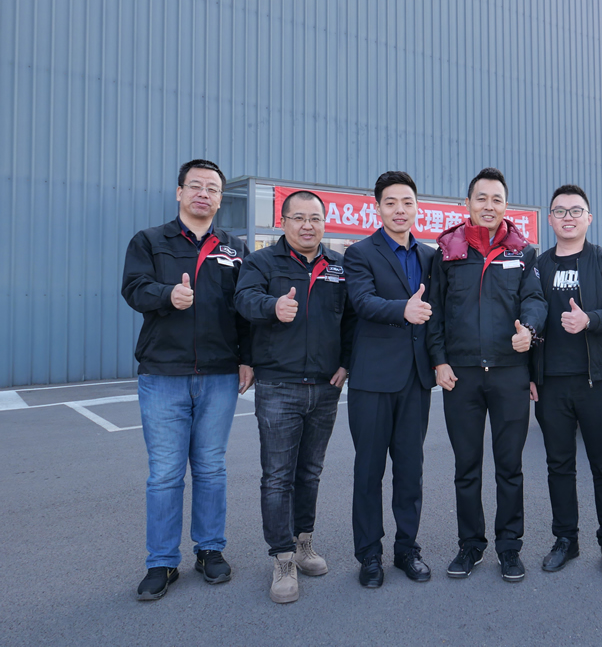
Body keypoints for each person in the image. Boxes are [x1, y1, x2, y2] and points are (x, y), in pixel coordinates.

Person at [122, 159, 253, 601]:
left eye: (212, 188)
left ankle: (210, 549)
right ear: (179, 192)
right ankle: (161, 561)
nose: (203, 194)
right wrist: (167, 295)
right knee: (164, 474)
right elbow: (133, 288)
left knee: (212, 468)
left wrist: (247, 359)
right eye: (195, 186)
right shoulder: (149, 241)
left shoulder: (235, 248)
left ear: (220, 198)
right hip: (164, 374)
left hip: (219, 375)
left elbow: (244, 309)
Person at [234, 190, 355, 604]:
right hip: (278, 386)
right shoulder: (261, 262)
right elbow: (243, 300)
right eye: (298, 217)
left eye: (315, 218)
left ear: (324, 223)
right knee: (277, 476)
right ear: (282, 221)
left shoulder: (339, 266)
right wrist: (272, 307)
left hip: (325, 387)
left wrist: (347, 363)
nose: (307, 225)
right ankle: (282, 557)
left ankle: (303, 543)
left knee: (310, 472)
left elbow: (351, 320)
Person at [427, 167, 547, 583]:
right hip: (460, 376)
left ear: (506, 205)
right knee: (467, 466)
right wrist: (439, 360)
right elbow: (436, 312)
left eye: (497, 199)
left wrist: (528, 330)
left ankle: (509, 547)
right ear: (467, 203)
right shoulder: (447, 251)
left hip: (509, 373)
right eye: (482, 198)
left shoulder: (523, 252)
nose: (489, 206)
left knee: (510, 466)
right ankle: (470, 545)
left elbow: (535, 300)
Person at [529, 185, 602, 578]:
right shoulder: (538, 265)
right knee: (559, 465)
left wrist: (590, 320)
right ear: (550, 219)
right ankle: (565, 540)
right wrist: (531, 375)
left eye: (575, 211)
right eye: (560, 211)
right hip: (551, 383)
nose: (568, 217)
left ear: (589, 218)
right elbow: (527, 315)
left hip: (597, 381)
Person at [343, 171, 436, 589]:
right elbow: (362, 301)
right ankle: (369, 555)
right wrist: (403, 310)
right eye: (391, 203)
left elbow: (438, 315)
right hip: (373, 378)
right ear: (377, 207)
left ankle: (407, 549)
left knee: (410, 471)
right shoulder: (360, 253)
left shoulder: (431, 256)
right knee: (369, 471)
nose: (400, 210)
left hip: (416, 378)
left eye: (407, 202)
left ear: (417, 207)